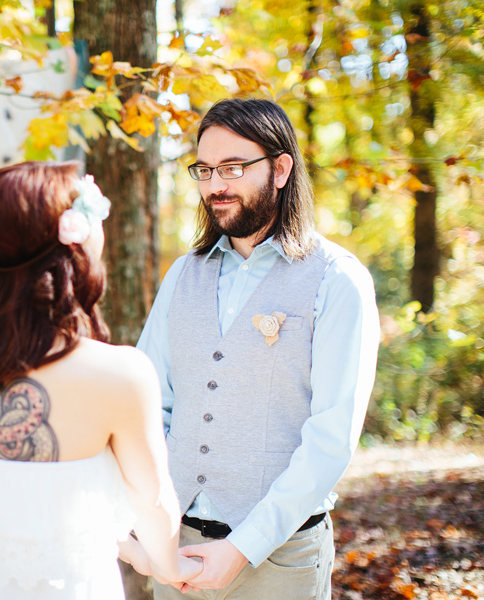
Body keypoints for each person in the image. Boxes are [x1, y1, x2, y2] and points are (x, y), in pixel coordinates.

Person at [0, 161, 203, 600]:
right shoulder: (120, 373)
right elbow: (152, 502)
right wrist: (168, 565)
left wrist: (135, 553)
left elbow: (23, 509)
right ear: (74, 241)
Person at [138, 99, 380, 600]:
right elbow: (148, 409)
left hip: (282, 559)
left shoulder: (338, 280)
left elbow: (330, 439)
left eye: (233, 168)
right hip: (177, 554)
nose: (215, 186)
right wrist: (155, 527)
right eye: (204, 170)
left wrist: (244, 546)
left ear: (281, 168)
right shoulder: (182, 275)